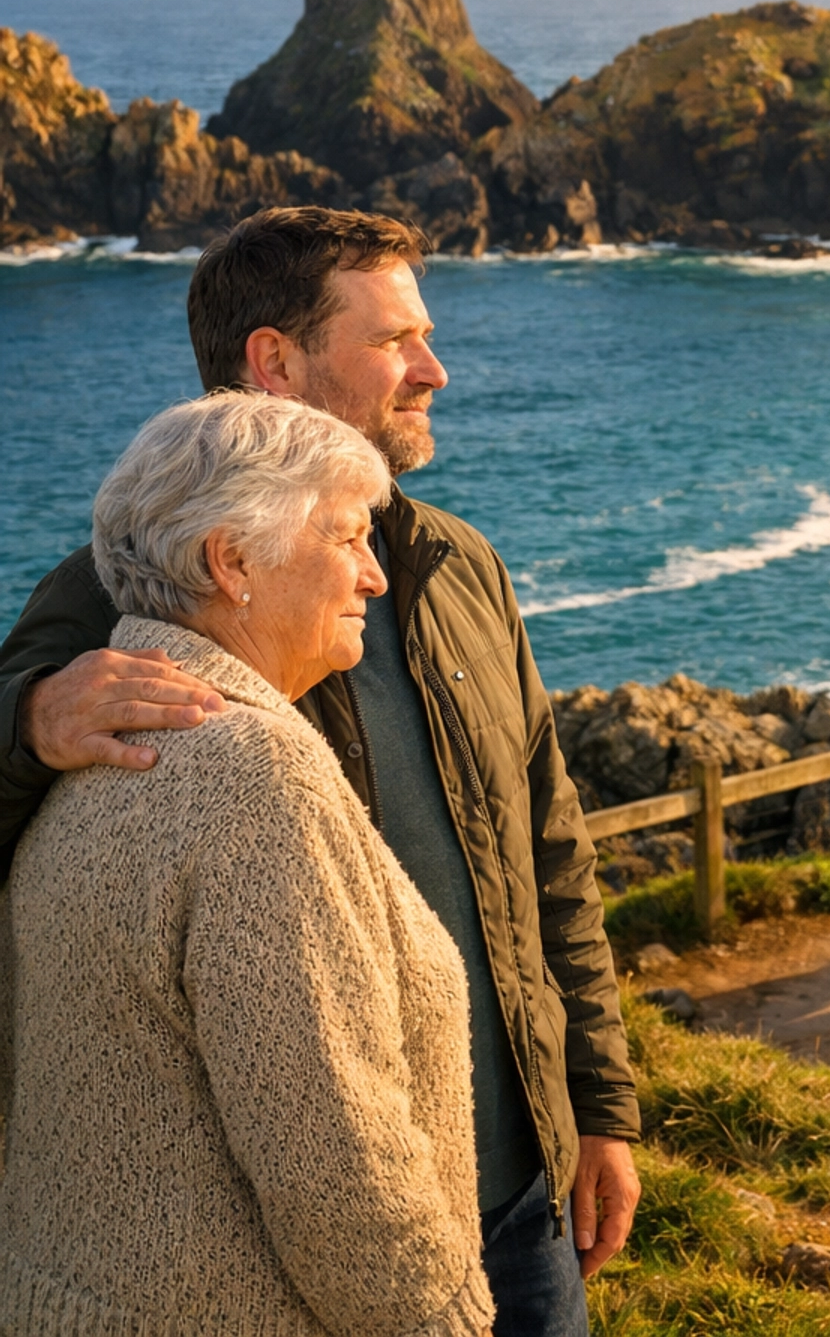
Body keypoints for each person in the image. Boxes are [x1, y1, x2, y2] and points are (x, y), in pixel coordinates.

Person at [0, 207, 639, 1337]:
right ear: (274, 362)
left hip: (519, 1185)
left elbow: (548, 846)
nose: (432, 369)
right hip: (319, 1241)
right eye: (394, 340)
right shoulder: (133, 587)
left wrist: (597, 1102)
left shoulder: (451, 564)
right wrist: (27, 714)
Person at [0, 392, 495, 1337]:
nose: (374, 577)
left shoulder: (79, 744)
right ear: (233, 562)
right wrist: (445, 1319)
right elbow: (335, 1156)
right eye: (348, 538)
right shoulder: (252, 776)